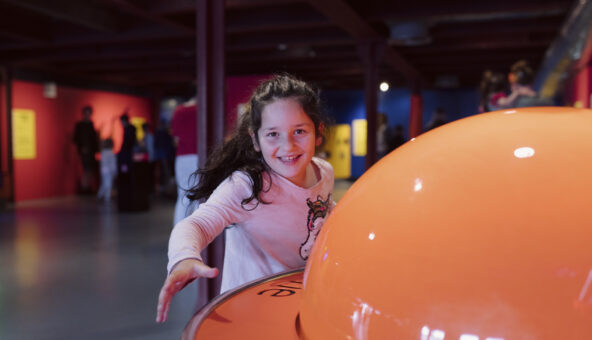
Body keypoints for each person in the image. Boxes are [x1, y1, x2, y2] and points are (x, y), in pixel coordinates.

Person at [156, 74, 335, 323]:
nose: (288, 146)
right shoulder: (248, 185)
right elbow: (196, 224)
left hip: (300, 302)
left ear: (318, 133)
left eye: (299, 131)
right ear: (256, 140)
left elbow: (320, 207)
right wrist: (184, 257)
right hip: (250, 312)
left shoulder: (323, 172)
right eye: (273, 134)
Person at [170, 98, 199, 225]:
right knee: (200, 197)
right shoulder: (201, 109)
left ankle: (179, 234)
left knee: (183, 196)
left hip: (183, 157)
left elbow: (175, 137)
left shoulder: (179, 111)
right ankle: (200, 235)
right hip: (201, 155)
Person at [73, 105, 99, 194]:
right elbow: (76, 138)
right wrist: (82, 148)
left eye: (89, 113)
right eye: (86, 113)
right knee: (86, 169)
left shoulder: (91, 124)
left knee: (90, 169)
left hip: (91, 151)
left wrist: (96, 150)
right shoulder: (80, 125)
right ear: (83, 114)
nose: (88, 115)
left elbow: (93, 138)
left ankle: (87, 187)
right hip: (84, 151)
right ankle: (84, 188)